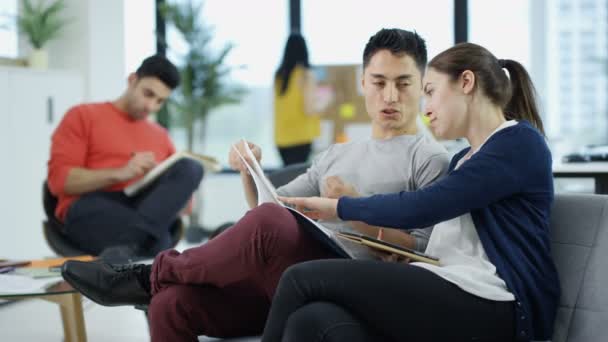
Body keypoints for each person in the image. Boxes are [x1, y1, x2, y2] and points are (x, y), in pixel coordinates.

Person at [61, 29, 450, 341]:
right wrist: (250, 170)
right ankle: (155, 281)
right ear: (363, 82)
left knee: (269, 225)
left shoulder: (428, 157)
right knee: (170, 304)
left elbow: (426, 250)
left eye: (404, 83)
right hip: (282, 280)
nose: (390, 96)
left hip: (346, 281)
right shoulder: (336, 154)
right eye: (379, 82)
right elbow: (272, 208)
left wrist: (356, 207)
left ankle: (146, 274)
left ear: (422, 86)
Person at [263, 43, 561, 342]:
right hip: (451, 286)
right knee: (312, 320)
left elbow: (424, 206)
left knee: (301, 279)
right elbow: (454, 244)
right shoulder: (463, 159)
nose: (426, 107)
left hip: (498, 305)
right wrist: (406, 256)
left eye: (430, 91)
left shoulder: (519, 143)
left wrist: (339, 206)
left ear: (466, 83)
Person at [47, 55, 203, 261]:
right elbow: (59, 182)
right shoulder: (83, 116)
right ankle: (137, 245)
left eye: (160, 101)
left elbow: (184, 206)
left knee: (191, 167)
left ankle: (125, 251)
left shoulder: (160, 135)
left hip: (141, 209)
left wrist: (158, 185)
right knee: (159, 241)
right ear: (132, 80)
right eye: (148, 94)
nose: (151, 107)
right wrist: (122, 173)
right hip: (90, 205)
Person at [274, 33, 321, 166]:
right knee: (298, 181)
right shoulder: (306, 75)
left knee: (287, 177)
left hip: (281, 138)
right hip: (301, 137)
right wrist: (326, 102)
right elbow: (310, 109)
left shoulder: (279, 75)